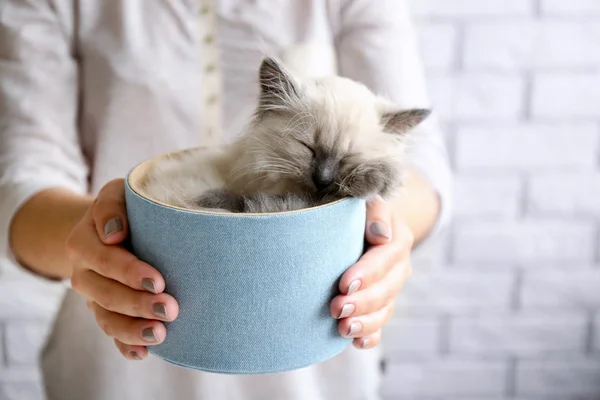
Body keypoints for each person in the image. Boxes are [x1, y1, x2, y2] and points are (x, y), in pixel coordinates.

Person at [0, 1, 451, 399]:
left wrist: (383, 237)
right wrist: (110, 241)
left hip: (318, 356)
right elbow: (22, 177)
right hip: (122, 334)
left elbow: (420, 165)